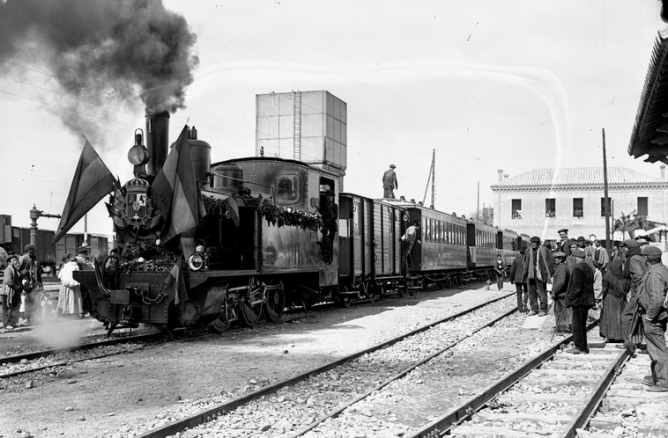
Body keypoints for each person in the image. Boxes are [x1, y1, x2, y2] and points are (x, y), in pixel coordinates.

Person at [637, 245, 668, 392]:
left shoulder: (656, 273)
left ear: (646, 258)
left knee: (657, 349)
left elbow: (657, 299)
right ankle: (657, 376)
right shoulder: (659, 270)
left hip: (654, 317)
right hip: (655, 316)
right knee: (654, 347)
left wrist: (649, 316)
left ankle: (663, 381)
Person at [618, 239, 649, 353]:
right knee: (640, 317)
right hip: (644, 292)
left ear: (627, 248)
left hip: (638, 293)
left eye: (624, 247)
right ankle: (637, 340)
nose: (622, 249)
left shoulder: (633, 258)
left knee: (626, 316)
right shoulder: (641, 257)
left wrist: (636, 289)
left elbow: (639, 275)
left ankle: (628, 343)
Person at [565, 249, 595, 354]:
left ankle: (579, 347)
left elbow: (577, 287)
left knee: (577, 325)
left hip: (579, 301)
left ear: (576, 258)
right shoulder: (588, 267)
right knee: (582, 324)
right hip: (586, 300)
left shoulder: (578, 269)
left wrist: (570, 297)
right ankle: (583, 346)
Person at [522, 236, 554, 317]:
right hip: (530, 274)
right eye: (531, 243)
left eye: (534, 243)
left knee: (542, 292)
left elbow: (550, 262)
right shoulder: (528, 251)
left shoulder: (544, 250)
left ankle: (543, 309)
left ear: (538, 243)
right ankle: (534, 309)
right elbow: (525, 261)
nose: (532, 244)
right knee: (531, 292)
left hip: (540, 274)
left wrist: (548, 273)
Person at [600, 257, 627, 343]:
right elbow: (627, 287)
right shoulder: (623, 275)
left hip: (610, 298)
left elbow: (604, 288)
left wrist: (602, 298)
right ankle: (620, 336)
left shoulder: (608, 275)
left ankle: (611, 336)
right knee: (620, 317)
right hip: (621, 299)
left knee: (610, 317)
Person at [18, 243, 42, 326]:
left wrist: (40, 283)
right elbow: (18, 271)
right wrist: (26, 272)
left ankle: (31, 317)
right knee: (25, 300)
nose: (34, 252)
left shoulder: (35, 258)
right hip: (25, 282)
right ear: (29, 250)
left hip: (33, 282)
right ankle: (24, 318)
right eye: (33, 250)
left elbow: (38, 272)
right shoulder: (23, 258)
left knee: (33, 300)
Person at [551, 251, 571, 333]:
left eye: (557, 258)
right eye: (555, 258)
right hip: (562, 293)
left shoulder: (562, 268)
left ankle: (563, 328)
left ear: (561, 259)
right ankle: (561, 327)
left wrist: (554, 291)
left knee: (561, 311)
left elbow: (561, 282)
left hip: (561, 293)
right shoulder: (562, 267)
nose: (555, 260)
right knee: (560, 311)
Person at [1, 254, 22, 330]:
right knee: (7, 308)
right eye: (13, 260)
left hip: (13, 292)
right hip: (7, 292)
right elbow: (8, 281)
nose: (15, 261)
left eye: (16, 260)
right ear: (9, 262)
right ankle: (7, 324)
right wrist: (16, 287)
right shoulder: (8, 269)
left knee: (13, 308)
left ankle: (12, 322)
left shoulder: (15, 269)